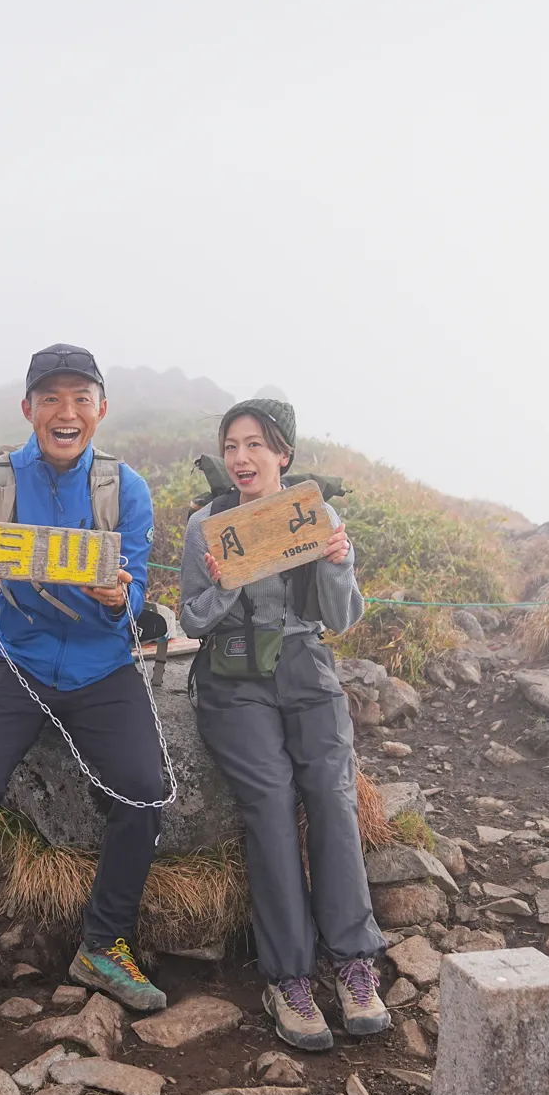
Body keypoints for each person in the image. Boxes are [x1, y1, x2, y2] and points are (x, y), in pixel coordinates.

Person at [0, 343, 170, 1032]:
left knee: (146, 791)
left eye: (81, 399)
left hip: (102, 668)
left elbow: (136, 597)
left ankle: (103, 945)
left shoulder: (126, 491)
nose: (66, 412)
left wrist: (118, 599)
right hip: (18, 661)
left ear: (101, 410)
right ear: (28, 409)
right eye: (51, 398)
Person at [178, 398, 389, 1051]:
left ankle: (355, 962)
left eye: (256, 446)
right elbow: (192, 619)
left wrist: (335, 562)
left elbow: (341, 617)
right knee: (270, 803)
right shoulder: (206, 526)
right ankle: (289, 978)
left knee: (330, 794)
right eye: (232, 445)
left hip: (303, 664)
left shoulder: (316, 516)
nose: (242, 458)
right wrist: (224, 582)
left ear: (283, 455)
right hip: (233, 676)